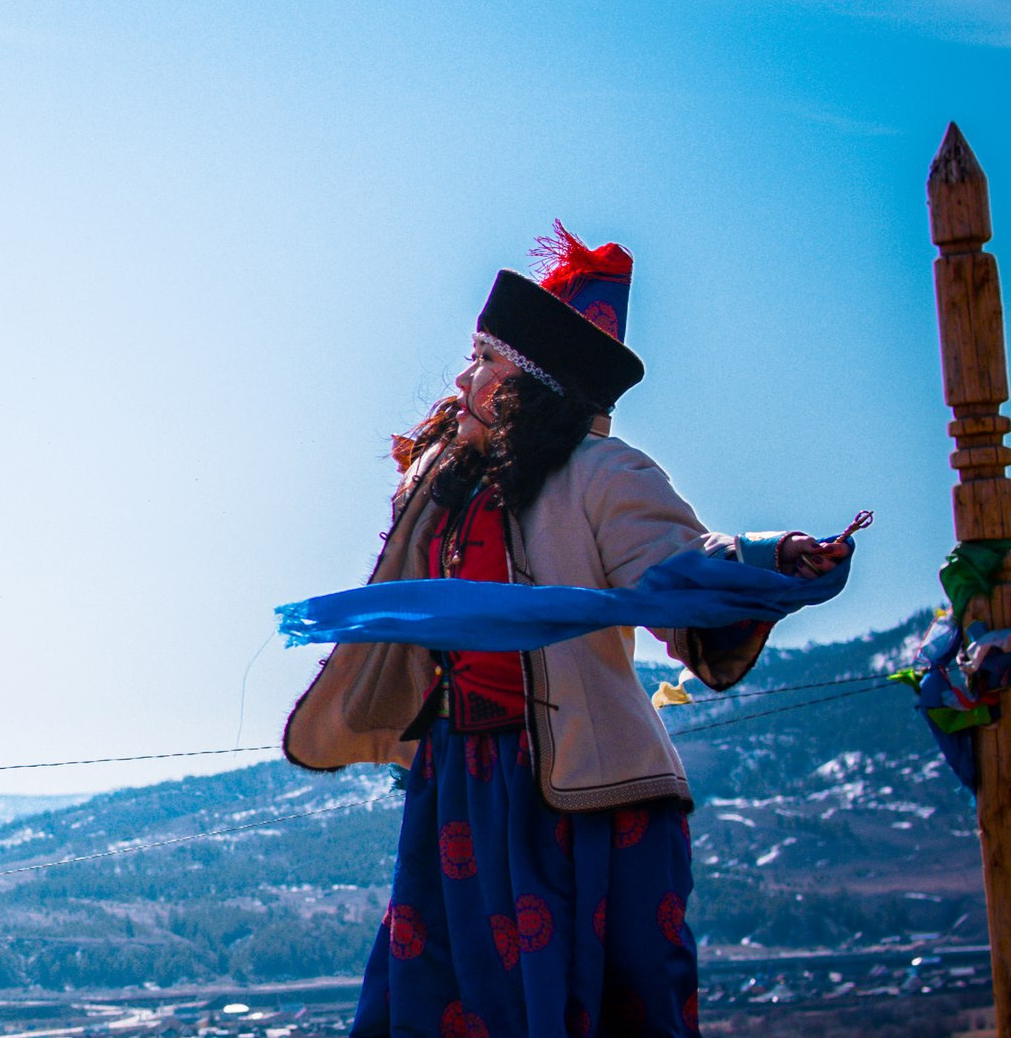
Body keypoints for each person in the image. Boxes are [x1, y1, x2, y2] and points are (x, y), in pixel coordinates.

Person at [282, 230, 849, 1038]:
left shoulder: (602, 474)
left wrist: (772, 556)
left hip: (585, 791)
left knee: (600, 1001)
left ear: (530, 383)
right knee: (446, 998)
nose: (462, 376)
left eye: (485, 357)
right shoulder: (449, 485)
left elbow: (678, 568)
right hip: (459, 784)